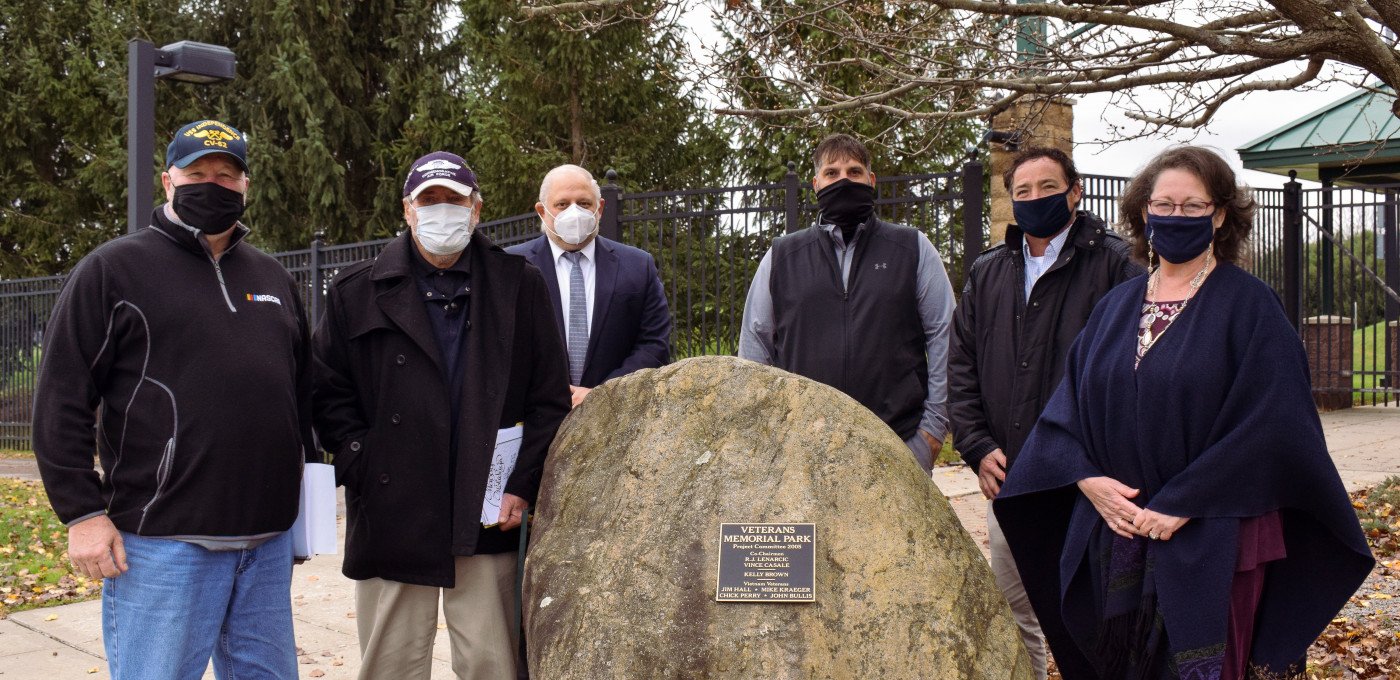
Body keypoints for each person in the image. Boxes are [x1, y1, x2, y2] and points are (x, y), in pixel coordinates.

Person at [993, 146, 1373, 679]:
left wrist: (1185, 501)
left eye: (1193, 206)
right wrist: (1086, 480)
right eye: (1164, 204)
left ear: (1219, 216)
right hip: (1117, 537)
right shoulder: (1116, 307)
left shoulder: (1250, 307)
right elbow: (1065, 413)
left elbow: (1275, 426)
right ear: (1144, 211)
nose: (1176, 216)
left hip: (1213, 540)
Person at [32, 119, 312, 679]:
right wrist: (82, 513)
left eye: (226, 174)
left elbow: (300, 394)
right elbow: (62, 397)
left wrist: (304, 507)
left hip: (266, 543)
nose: (213, 184)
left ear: (245, 186)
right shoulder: (113, 271)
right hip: (163, 544)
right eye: (197, 172)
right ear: (168, 181)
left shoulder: (273, 278)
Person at [312, 151, 571, 680]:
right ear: (407, 210)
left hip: (487, 504)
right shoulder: (354, 291)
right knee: (390, 665)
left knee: (491, 663)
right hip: (392, 507)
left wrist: (521, 484)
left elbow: (548, 399)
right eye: (429, 201)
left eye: (454, 200)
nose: (442, 211)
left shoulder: (519, 285)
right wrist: (364, 462)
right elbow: (327, 394)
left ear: (477, 208)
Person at [949, 147, 1143, 679]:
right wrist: (976, 446)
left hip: (1088, 483)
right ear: (1011, 200)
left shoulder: (1116, 265)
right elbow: (960, 365)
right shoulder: (988, 271)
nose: (1036, 199)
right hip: (1010, 478)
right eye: (1023, 191)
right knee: (1015, 614)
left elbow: (1136, 370)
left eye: (1048, 187)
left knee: (1094, 613)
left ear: (1075, 191)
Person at [738, 133, 955, 473]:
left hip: (898, 444)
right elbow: (754, 348)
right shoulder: (782, 256)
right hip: (803, 449)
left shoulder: (912, 248)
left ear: (871, 180)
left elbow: (945, 336)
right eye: (832, 173)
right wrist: (767, 433)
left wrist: (931, 432)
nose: (843, 180)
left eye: (854, 172)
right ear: (816, 184)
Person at [506, 164, 670, 407]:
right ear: (542, 211)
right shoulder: (511, 267)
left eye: (584, 203)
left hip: (614, 417)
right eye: (562, 204)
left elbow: (654, 345)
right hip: (531, 421)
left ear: (600, 208)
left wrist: (602, 393)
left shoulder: (638, 266)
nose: (574, 212)